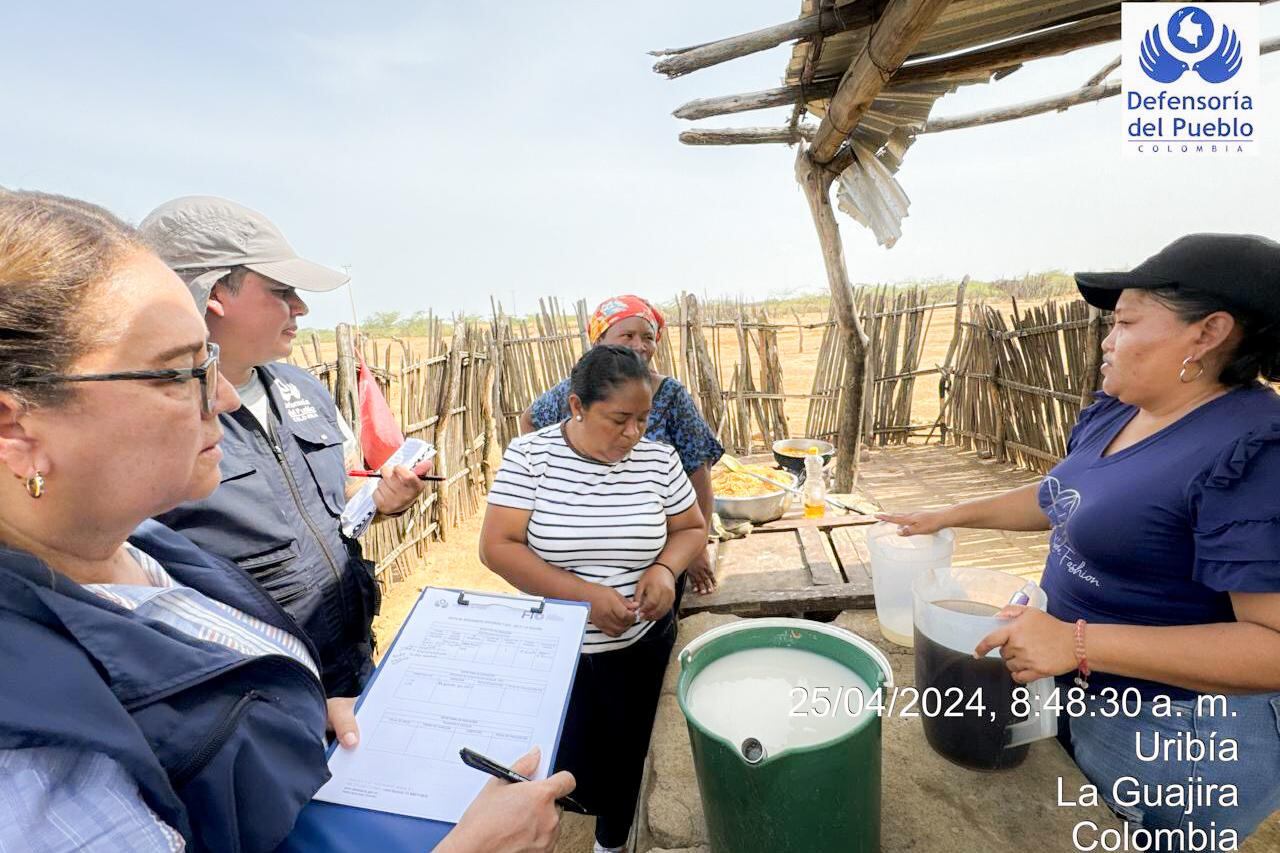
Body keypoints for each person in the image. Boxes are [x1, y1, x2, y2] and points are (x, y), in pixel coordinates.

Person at [0, 190, 573, 852]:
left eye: (208, 365)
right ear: (17, 428)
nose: (220, 397)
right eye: (176, 372)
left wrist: (291, 713)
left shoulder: (138, 544)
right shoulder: (38, 763)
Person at [880, 234, 1280, 848]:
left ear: (1208, 334)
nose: (1106, 339)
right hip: (1078, 688)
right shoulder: (1120, 411)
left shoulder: (1250, 453)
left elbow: (1271, 649)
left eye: (1124, 322)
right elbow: (1061, 501)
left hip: (1176, 737)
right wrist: (951, 514)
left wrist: (1076, 640)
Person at [138, 196, 426, 747]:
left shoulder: (303, 390)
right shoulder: (146, 421)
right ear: (215, 291)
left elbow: (333, 507)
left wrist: (382, 502)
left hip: (349, 660)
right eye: (281, 291)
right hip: (248, 703)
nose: (301, 308)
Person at [483, 345, 707, 853]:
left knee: (630, 757)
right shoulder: (531, 457)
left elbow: (690, 528)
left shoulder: (657, 458)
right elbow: (497, 547)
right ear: (577, 406)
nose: (633, 434)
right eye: (619, 419)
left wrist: (665, 569)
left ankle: (612, 842)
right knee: (568, 763)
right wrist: (584, 597)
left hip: (641, 647)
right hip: (561, 655)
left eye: (644, 419)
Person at [520, 294, 723, 597]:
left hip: (655, 545)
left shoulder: (670, 395)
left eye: (648, 337)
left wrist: (695, 547)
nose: (639, 345)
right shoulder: (577, 391)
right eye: (627, 335)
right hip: (577, 553)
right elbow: (530, 420)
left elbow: (698, 472)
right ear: (598, 340)